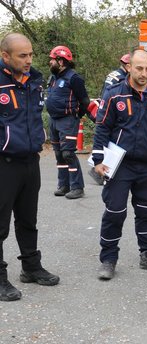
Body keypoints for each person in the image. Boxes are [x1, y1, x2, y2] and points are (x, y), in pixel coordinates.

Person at [91, 49, 147, 280]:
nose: (143, 73)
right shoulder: (114, 94)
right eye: (139, 68)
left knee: (146, 212)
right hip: (119, 166)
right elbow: (102, 127)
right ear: (129, 67)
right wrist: (98, 160)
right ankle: (108, 259)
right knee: (114, 212)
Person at [0, 33, 60, 302]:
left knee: (28, 220)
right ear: (5, 56)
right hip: (4, 164)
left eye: (31, 54)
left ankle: (31, 267)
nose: (29, 60)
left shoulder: (33, 80)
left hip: (30, 161)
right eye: (22, 55)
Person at [46, 45, 92, 200]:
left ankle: (77, 187)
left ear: (61, 60)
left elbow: (85, 101)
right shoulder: (53, 77)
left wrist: (76, 116)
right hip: (54, 120)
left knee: (68, 154)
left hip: (67, 121)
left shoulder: (74, 78)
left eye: (52, 59)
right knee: (59, 155)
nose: (50, 62)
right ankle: (64, 185)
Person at [88, 54, 131, 186]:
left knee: (105, 142)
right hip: (111, 111)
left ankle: (99, 169)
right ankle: (102, 172)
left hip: (103, 108)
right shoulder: (122, 78)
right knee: (111, 145)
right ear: (127, 65)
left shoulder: (113, 74)